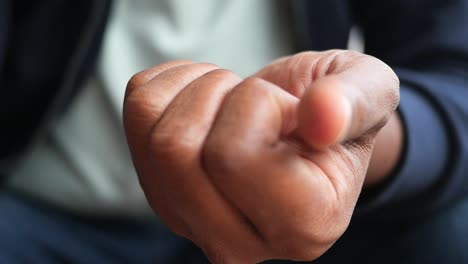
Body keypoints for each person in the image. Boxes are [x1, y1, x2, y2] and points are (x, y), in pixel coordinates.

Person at [1, 0, 467, 263]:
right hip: (40, 212)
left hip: (296, 211)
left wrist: (364, 143)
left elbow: (456, 77)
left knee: (450, 233)